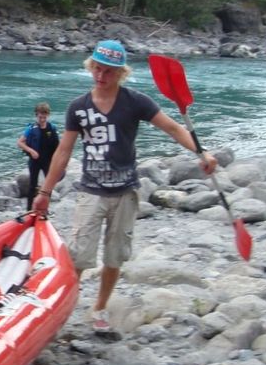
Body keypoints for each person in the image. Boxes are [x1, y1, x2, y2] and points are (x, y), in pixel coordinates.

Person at [31, 40, 217, 334]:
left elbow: (172, 127)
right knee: (78, 256)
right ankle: (59, 307)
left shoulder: (136, 102)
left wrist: (201, 153)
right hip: (91, 190)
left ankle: (100, 307)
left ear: (121, 73)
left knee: (115, 256)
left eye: (108, 71)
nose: (101, 76)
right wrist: (45, 192)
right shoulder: (78, 107)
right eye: (97, 69)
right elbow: (63, 152)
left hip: (125, 191)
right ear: (91, 68)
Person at [18, 101, 60, 211]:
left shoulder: (52, 128)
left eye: (44, 117)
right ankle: (29, 210)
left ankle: (44, 209)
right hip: (34, 161)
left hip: (48, 161)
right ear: (36, 115)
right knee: (32, 185)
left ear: (48, 116)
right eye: (40, 117)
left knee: (48, 186)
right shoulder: (31, 129)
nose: (42, 120)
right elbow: (20, 142)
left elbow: (58, 147)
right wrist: (31, 151)